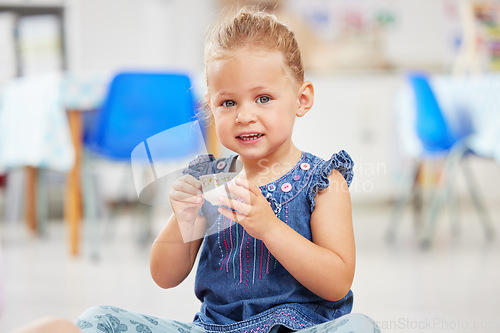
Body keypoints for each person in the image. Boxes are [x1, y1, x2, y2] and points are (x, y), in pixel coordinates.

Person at [8, 7, 379, 333]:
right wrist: (182, 218)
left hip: (298, 328)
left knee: (361, 327)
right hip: (213, 330)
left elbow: (336, 282)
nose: (245, 114)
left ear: (302, 99)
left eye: (263, 98)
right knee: (99, 317)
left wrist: (270, 227)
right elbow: (164, 276)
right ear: (211, 107)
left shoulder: (323, 181)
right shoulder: (210, 180)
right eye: (228, 101)